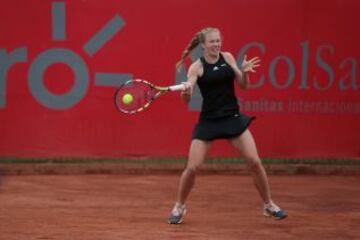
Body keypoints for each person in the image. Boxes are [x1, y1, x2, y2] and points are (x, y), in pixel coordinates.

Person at [168, 27, 287, 224]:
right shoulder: (196, 67)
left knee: (255, 162)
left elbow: (243, 85)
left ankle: (269, 204)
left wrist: (245, 72)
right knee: (192, 168)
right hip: (209, 121)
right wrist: (186, 91)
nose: (216, 44)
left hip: (232, 117)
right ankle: (179, 206)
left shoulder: (229, 57)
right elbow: (186, 100)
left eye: (218, 41)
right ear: (204, 45)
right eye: (212, 42)